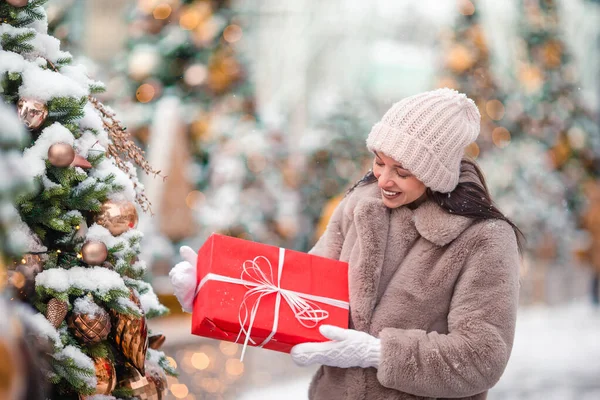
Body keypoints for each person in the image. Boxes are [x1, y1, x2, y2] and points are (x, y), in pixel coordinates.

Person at [170, 88, 524, 400]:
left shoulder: (485, 238)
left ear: (435, 174)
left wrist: (379, 353)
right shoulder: (360, 206)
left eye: (402, 172)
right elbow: (299, 300)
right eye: (379, 162)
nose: (384, 179)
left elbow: (482, 356)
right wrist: (211, 294)